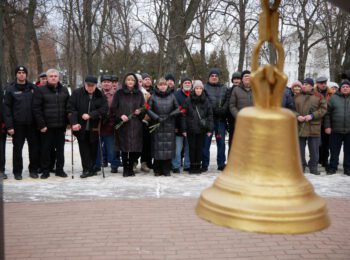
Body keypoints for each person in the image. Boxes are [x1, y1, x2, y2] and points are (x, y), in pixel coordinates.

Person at [32, 69, 70, 179]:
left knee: (60, 150)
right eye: (51, 76)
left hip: (60, 126)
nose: (53, 78)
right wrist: (41, 125)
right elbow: (36, 109)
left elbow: (68, 107)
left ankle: (59, 169)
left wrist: (68, 122)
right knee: (46, 150)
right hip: (46, 127)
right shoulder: (40, 90)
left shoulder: (64, 90)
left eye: (55, 76)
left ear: (58, 78)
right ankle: (45, 170)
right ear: (47, 78)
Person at [4, 66, 40, 180]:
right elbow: (7, 109)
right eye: (19, 72)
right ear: (16, 74)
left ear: (26, 74)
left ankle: (33, 170)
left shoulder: (33, 88)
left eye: (23, 72)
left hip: (32, 124)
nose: (21, 74)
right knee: (17, 149)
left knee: (34, 149)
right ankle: (17, 172)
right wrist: (9, 126)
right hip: (17, 125)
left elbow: (38, 106)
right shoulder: (10, 89)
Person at [69, 76, 108, 178]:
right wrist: (74, 123)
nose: (90, 87)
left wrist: (91, 114)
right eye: (88, 85)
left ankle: (92, 167)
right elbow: (71, 109)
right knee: (84, 148)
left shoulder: (100, 95)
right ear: (84, 84)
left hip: (94, 127)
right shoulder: (77, 93)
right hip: (80, 127)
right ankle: (86, 169)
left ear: (96, 85)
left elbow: (104, 109)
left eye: (92, 86)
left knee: (93, 148)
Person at [112, 73, 145, 177]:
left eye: (132, 80)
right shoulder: (119, 93)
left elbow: (143, 107)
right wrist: (120, 116)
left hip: (136, 125)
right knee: (125, 148)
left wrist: (140, 111)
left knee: (135, 148)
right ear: (125, 81)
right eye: (128, 80)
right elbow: (113, 108)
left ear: (135, 82)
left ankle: (131, 167)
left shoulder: (139, 94)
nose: (130, 82)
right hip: (123, 125)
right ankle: (126, 169)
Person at [147, 78, 180, 176]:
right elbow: (148, 109)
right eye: (160, 85)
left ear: (167, 86)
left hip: (169, 124)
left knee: (168, 147)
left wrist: (170, 115)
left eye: (164, 85)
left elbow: (178, 108)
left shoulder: (172, 96)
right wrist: (156, 118)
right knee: (158, 147)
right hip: (157, 125)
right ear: (157, 86)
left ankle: (166, 169)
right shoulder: (153, 97)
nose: (162, 86)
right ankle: (157, 169)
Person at [294, 78, 327, 175]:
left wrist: (312, 115)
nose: (303, 86)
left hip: (314, 127)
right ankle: (301, 166)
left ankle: (313, 167)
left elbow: (323, 109)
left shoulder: (319, 96)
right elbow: (291, 108)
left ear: (312, 86)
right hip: (300, 127)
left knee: (314, 150)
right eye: (303, 84)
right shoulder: (297, 96)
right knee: (300, 149)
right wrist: (297, 116)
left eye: (306, 84)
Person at [182, 80, 213, 174]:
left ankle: (197, 166)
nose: (198, 90)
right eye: (197, 88)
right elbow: (183, 115)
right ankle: (192, 167)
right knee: (192, 148)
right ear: (194, 89)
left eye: (200, 88)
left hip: (201, 129)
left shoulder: (206, 100)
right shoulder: (188, 100)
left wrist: (209, 129)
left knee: (200, 148)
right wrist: (184, 129)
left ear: (202, 89)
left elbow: (210, 115)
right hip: (191, 128)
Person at [202, 68, 229, 172]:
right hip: (209, 120)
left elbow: (227, 100)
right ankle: (204, 164)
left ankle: (221, 163)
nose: (214, 77)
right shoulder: (204, 88)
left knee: (221, 143)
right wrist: (212, 110)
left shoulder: (224, 88)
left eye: (216, 76)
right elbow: (203, 101)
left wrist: (223, 109)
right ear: (209, 77)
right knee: (206, 143)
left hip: (220, 120)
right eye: (212, 76)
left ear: (218, 78)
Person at [94, 75, 120, 173]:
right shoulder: (97, 94)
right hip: (98, 123)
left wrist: (113, 121)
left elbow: (118, 108)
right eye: (104, 82)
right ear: (101, 83)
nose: (106, 83)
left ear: (111, 83)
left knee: (111, 146)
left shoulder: (116, 95)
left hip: (111, 123)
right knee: (97, 146)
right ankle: (97, 164)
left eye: (108, 82)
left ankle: (114, 164)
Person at [324, 80, 350, 175]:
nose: (345, 88)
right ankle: (332, 167)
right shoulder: (333, 98)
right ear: (340, 88)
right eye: (343, 87)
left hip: (349, 130)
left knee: (348, 151)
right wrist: (327, 126)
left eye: (347, 87)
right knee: (334, 151)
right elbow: (327, 114)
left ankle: (348, 168)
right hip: (335, 129)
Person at [229, 70, 254, 150]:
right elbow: (232, 105)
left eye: (249, 76)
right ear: (242, 79)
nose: (247, 78)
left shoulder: (257, 90)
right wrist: (239, 116)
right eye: (245, 76)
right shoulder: (236, 90)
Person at [172, 77, 191, 173]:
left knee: (188, 147)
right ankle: (176, 165)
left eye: (189, 83)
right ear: (182, 84)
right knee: (177, 148)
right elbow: (173, 111)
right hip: (178, 126)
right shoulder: (176, 95)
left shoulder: (193, 95)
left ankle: (187, 165)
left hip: (190, 126)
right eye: (185, 82)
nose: (187, 84)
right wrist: (175, 126)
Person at [315, 76, 332, 169]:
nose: (323, 85)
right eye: (321, 83)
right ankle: (316, 159)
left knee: (326, 143)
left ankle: (325, 160)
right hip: (316, 121)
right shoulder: (313, 93)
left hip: (327, 121)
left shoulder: (331, 93)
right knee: (316, 143)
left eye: (325, 83)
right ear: (317, 84)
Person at [139, 73, 154, 173]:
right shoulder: (138, 91)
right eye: (145, 79)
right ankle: (135, 162)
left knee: (148, 143)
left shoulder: (154, 92)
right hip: (138, 120)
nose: (147, 81)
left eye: (149, 79)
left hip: (150, 121)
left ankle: (146, 162)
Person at [226, 72, 241, 153]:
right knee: (232, 141)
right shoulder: (228, 90)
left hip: (242, 120)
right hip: (231, 120)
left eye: (238, 79)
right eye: (235, 79)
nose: (236, 81)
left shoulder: (244, 90)